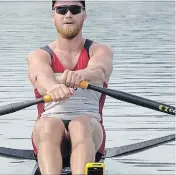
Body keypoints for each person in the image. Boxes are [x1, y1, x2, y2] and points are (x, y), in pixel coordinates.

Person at [27, 0, 113, 174]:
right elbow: (39, 77)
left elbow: (100, 71)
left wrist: (81, 75)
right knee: (49, 126)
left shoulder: (99, 50)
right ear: (53, 16)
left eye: (75, 9)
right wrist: (52, 87)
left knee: (80, 125)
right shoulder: (39, 55)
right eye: (61, 10)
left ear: (84, 15)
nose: (68, 15)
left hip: (90, 131)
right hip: (48, 132)